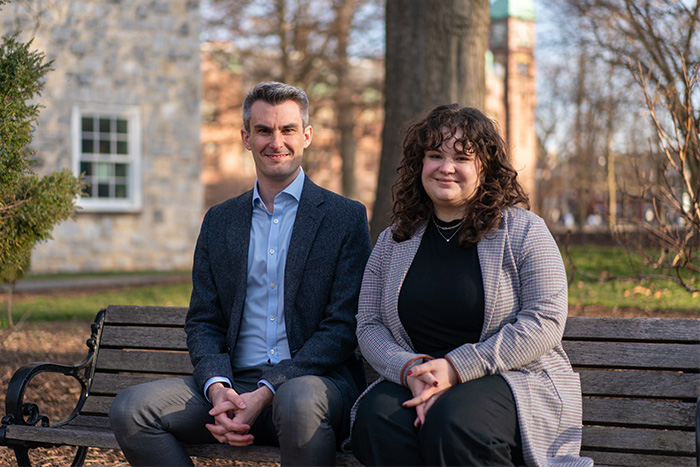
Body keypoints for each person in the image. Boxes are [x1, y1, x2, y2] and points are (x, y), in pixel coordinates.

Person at [109, 81, 372, 466]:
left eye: (288, 130)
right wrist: (218, 389)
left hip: (313, 386)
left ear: (307, 136)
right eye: (264, 130)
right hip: (232, 385)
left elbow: (342, 326)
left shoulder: (344, 218)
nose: (276, 141)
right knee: (132, 409)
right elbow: (203, 320)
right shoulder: (219, 221)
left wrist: (267, 390)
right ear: (246, 137)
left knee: (297, 402)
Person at [350, 104, 593, 467]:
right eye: (434, 155)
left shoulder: (525, 231)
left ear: (485, 168)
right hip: (416, 377)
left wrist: (454, 368)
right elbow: (369, 324)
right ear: (419, 165)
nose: (445, 167)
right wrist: (411, 370)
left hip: (510, 378)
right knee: (375, 419)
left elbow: (545, 322)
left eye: (462, 157)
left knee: (454, 420)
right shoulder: (393, 241)